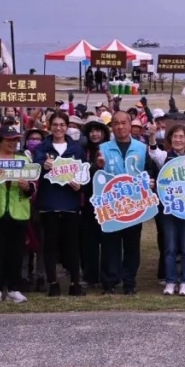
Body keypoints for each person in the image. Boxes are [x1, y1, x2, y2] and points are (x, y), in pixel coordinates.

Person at [31, 111, 86, 297]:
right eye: (55, 125)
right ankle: (53, 282)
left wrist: (80, 185)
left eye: (62, 125)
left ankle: (74, 283)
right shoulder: (42, 147)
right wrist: (43, 166)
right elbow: (34, 171)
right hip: (49, 203)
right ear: (49, 126)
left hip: (70, 203)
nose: (58, 128)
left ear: (67, 126)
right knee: (50, 245)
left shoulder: (76, 148)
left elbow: (84, 173)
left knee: (72, 245)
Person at [0, 125, 34, 304]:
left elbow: (32, 186)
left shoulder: (24, 160)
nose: (13, 143)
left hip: (18, 212)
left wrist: (28, 188)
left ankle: (13, 288)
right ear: (0, 141)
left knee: (16, 253)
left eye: (16, 140)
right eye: (9, 139)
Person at [98, 111, 151, 295]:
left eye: (124, 123)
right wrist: (96, 166)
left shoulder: (142, 148)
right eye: (116, 123)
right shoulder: (103, 148)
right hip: (110, 206)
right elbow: (95, 178)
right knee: (110, 245)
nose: (120, 127)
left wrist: (149, 181)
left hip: (134, 206)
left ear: (130, 125)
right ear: (111, 126)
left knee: (131, 245)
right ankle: (110, 282)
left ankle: (129, 282)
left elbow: (150, 173)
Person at [149, 122, 185, 296]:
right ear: (170, 139)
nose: (178, 140)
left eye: (181, 137)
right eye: (175, 136)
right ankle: (170, 281)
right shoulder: (165, 157)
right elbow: (154, 152)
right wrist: (152, 136)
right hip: (168, 210)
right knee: (169, 248)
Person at [80, 116, 110, 289]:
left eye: (98, 130)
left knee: (107, 240)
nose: (95, 134)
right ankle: (90, 276)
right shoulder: (82, 150)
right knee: (89, 241)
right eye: (91, 130)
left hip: (107, 201)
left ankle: (108, 275)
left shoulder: (109, 149)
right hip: (88, 201)